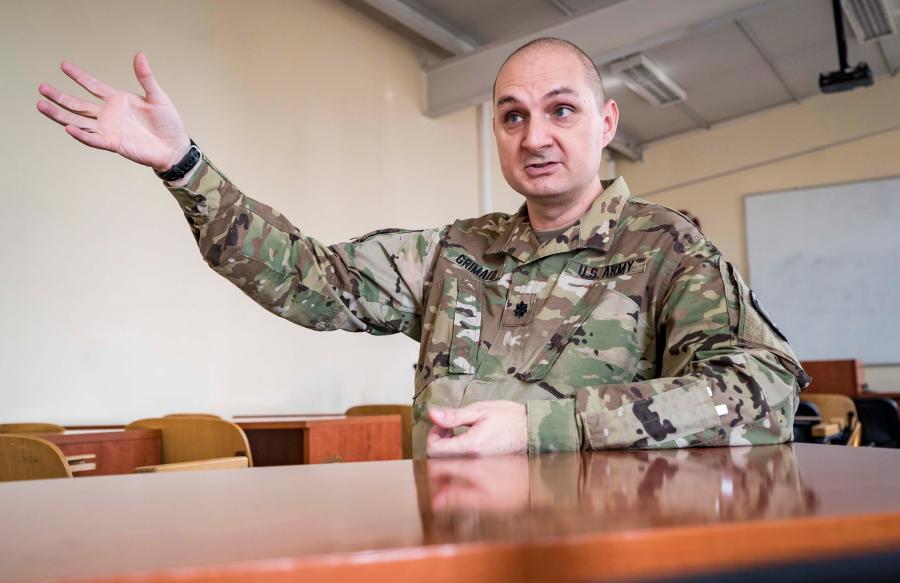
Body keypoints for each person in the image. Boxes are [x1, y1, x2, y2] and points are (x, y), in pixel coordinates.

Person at [37, 38, 809, 458]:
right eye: (512, 117)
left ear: (606, 123)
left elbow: (762, 388)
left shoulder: (666, 247)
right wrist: (184, 167)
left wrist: (549, 426)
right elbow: (310, 279)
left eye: (560, 110)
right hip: (450, 546)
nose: (535, 136)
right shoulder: (457, 253)